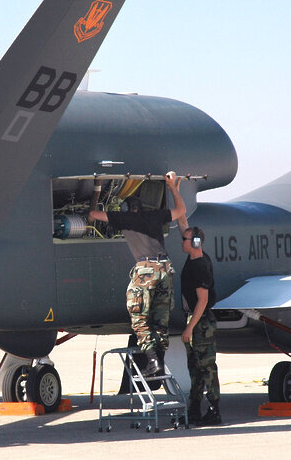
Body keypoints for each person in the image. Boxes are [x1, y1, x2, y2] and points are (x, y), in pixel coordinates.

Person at [89, 172, 185, 376]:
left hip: (146, 271)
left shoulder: (123, 218)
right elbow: (181, 210)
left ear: (126, 209)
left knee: (139, 318)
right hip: (166, 269)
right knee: (161, 320)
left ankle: (152, 361)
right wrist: (173, 189)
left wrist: (97, 189)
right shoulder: (155, 215)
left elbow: (93, 215)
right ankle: (158, 362)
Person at [177, 220, 221, 425]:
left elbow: (202, 301)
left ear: (194, 242)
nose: (181, 241)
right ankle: (194, 409)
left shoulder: (200, 266)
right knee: (194, 368)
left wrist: (190, 327)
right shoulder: (194, 257)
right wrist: (174, 191)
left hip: (201, 323)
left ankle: (214, 411)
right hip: (196, 320)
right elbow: (183, 222)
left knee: (207, 368)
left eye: (184, 239)